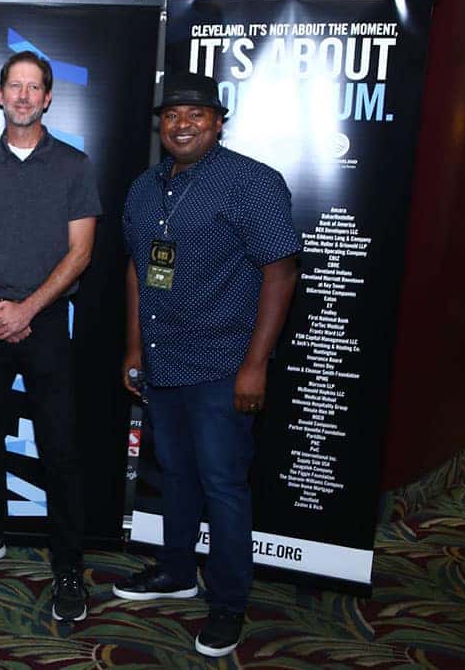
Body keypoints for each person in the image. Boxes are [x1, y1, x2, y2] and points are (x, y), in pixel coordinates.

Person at [114, 72, 300, 658]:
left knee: (223, 484)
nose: (182, 123)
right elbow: (138, 269)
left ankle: (228, 603)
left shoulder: (252, 181)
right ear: (160, 125)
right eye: (171, 114)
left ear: (219, 122)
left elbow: (281, 270)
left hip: (225, 361)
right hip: (164, 359)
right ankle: (175, 571)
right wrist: (135, 346)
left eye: (196, 113)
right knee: (174, 474)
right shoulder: (144, 187)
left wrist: (256, 366)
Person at [0, 50, 101, 623]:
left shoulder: (76, 166)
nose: (24, 96)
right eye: (15, 86)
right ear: (0, 95)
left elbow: (81, 252)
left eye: (35, 88)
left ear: (49, 98)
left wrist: (28, 309)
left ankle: (67, 567)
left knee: (60, 449)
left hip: (45, 325)